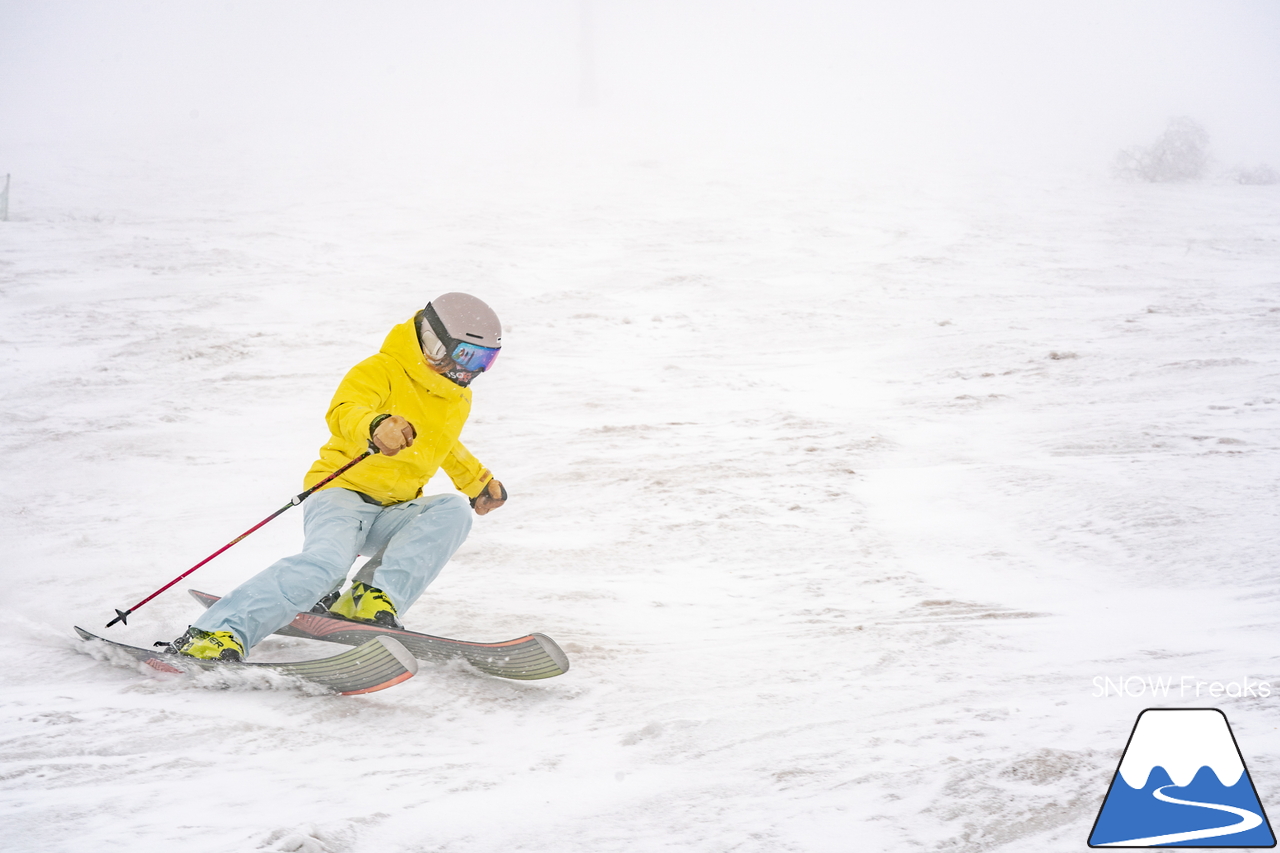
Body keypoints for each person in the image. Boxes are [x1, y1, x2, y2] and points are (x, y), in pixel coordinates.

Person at [169, 292, 508, 661]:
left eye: (485, 361)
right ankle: (216, 633)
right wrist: (375, 425)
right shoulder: (381, 369)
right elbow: (345, 410)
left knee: (452, 511)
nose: (471, 370)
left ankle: (368, 598)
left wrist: (475, 482)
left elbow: (444, 443)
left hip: (394, 508)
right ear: (433, 343)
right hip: (342, 495)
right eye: (467, 355)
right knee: (327, 566)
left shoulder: (456, 397)